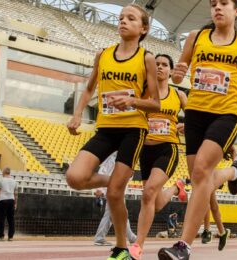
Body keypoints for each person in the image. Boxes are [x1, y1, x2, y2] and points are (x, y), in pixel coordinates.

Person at [158, 0, 237, 259]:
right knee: (199, 179)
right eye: (213, 4)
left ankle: (183, 246)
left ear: (236, 11)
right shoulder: (196, 37)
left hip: (227, 112)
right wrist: (177, 73)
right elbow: (177, 76)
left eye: (224, 3)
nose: (217, 8)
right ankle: (235, 169)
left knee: (201, 171)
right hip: (196, 111)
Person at [65, 4, 160, 259]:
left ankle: (120, 247)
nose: (123, 21)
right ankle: (114, 182)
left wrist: (133, 101)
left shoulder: (146, 58)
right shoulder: (104, 54)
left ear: (143, 28)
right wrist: (76, 114)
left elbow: (155, 103)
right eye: (120, 18)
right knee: (74, 178)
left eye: (130, 18)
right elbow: (88, 89)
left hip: (133, 129)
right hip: (106, 127)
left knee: (115, 194)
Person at [128, 54, 188, 260]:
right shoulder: (144, 93)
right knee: (155, 202)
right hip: (145, 150)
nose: (160, 67)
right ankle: (176, 187)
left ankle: (138, 245)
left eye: (164, 65)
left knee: (148, 193)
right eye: (157, 65)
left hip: (167, 148)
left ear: (171, 70)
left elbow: (195, 120)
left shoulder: (178, 95)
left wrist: (185, 125)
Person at [93, 152, 137, 246]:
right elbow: (103, 170)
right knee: (116, 214)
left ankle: (131, 237)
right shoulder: (115, 156)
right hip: (112, 190)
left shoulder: (128, 159)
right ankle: (100, 238)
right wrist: (99, 189)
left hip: (119, 191)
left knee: (119, 214)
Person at [0, 167, 18, 241]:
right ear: (9, 173)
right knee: (11, 219)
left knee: (1, 219)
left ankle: (1, 236)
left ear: (4, 172)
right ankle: (10, 237)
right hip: (11, 200)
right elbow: (16, 194)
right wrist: (15, 203)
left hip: (2, 200)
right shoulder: (14, 181)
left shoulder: (0, 180)